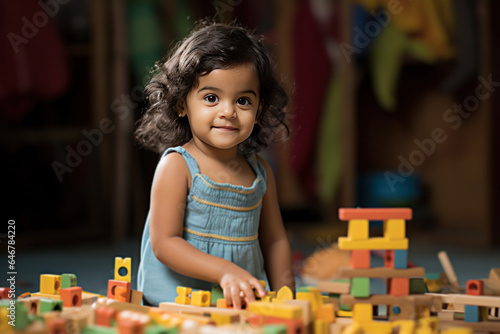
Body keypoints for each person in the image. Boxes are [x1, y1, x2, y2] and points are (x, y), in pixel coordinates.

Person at [135, 20, 295, 308]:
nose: (228, 112)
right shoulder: (177, 166)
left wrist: (287, 299)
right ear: (182, 104)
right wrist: (225, 271)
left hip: (236, 304)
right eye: (211, 97)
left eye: (243, 101)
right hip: (174, 305)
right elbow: (165, 243)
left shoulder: (260, 172)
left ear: (258, 111)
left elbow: (274, 241)